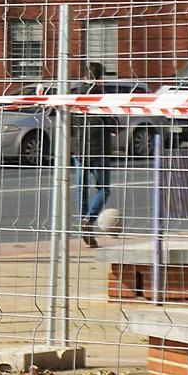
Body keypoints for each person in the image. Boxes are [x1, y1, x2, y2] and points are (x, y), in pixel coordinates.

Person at [73, 63, 118, 247]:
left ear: (84, 77)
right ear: (101, 78)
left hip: (79, 150)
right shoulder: (100, 97)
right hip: (99, 150)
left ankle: (86, 224)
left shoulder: (75, 94)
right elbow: (112, 123)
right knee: (104, 188)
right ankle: (89, 220)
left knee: (81, 189)